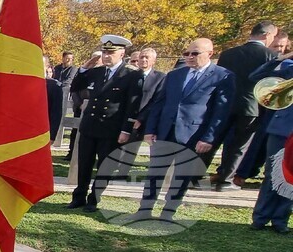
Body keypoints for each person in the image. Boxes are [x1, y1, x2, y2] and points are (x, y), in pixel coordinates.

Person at [128, 38, 235, 221]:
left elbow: (221, 111)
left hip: (193, 135)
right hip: (164, 132)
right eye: (187, 53)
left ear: (210, 53)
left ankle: (168, 212)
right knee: (155, 173)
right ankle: (144, 209)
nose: (190, 57)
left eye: (195, 54)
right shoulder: (175, 75)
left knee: (181, 176)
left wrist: (208, 138)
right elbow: (158, 104)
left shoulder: (222, 76)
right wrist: (150, 129)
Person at [67, 34, 144, 212]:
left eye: (110, 52)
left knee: (105, 165)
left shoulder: (131, 75)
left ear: (122, 53)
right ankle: (78, 196)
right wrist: (85, 67)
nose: (106, 56)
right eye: (104, 52)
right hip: (90, 126)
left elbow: (133, 105)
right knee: (84, 163)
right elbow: (76, 86)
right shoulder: (98, 71)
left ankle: (94, 198)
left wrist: (126, 130)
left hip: (111, 128)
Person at [210, 22, 278, 190]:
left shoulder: (228, 54)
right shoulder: (270, 56)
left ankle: (191, 175)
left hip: (225, 103)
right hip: (252, 107)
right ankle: (225, 179)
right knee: (239, 145)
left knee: (213, 140)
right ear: (267, 35)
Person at [249, 56, 293, 233]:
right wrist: (281, 58)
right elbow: (256, 77)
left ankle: (280, 220)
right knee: (272, 173)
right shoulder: (290, 69)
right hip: (281, 130)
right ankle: (260, 217)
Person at [53, 51, 81, 159]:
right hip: (56, 90)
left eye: (71, 58)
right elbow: (55, 77)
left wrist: (58, 84)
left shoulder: (73, 69)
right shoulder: (57, 68)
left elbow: (68, 81)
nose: (69, 60)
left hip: (65, 91)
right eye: (67, 58)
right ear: (63, 58)